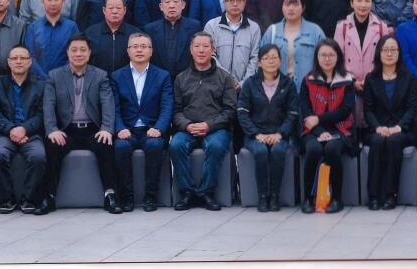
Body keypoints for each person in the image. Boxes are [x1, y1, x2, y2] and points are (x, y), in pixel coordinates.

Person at [42, 35, 122, 214]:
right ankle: (49, 196)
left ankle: (110, 195)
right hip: (66, 130)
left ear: (89, 52)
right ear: (67, 53)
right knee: (52, 146)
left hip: (93, 129)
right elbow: (48, 105)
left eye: (83, 50)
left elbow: (108, 104)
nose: (78, 54)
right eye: (74, 50)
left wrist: (107, 129)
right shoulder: (54, 76)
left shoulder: (100, 75)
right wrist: (52, 130)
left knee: (106, 145)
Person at [169, 33, 236, 211]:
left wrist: (209, 125)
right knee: (175, 145)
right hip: (187, 128)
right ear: (190, 50)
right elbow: (176, 111)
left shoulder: (225, 78)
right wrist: (187, 125)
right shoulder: (181, 78)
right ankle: (187, 193)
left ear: (213, 50)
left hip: (216, 128)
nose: (201, 50)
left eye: (205, 46)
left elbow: (230, 111)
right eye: (197, 46)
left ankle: (206, 192)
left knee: (216, 146)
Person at [111, 32, 174, 212]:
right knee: (121, 147)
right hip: (127, 130)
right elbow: (113, 107)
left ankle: (150, 197)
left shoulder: (162, 76)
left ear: (151, 51)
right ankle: (127, 197)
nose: (139, 50)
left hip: (151, 129)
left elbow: (167, 106)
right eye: (135, 47)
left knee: (155, 146)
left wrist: (159, 128)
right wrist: (119, 128)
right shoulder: (116, 76)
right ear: (128, 51)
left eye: (144, 46)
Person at [236, 44, 299, 212]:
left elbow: (293, 113)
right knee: (261, 151)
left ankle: (275, 196)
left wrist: (281, 133)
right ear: (259, 63)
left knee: (278, 151)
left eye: (274, 57)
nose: (270, 61)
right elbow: (242, 112)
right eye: (266, 58)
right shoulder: (250, 84)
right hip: (255, 134)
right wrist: (256, 134)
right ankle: (263, 196)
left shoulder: (288, 84)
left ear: (280, 60)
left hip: (280, 133)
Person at [298, 40, 355, 213]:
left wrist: (319, 119)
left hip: (340, 128)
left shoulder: (347, 80)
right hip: (313, 129)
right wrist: (319, 131)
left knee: (332, 149)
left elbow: (345, 110)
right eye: (323, 55)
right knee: (313, 149)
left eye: (331, 55)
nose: (327, 59)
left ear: (338, 57)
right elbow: (305, 110)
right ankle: (308, 198)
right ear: (317, 57)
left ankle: (337, 198)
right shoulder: (308, 80)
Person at [0, 45, 48, 214]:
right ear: (8, 62)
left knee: (38, 156)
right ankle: (8, 199)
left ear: (30, 62)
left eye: (23, 58)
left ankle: (28, 199)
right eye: (14, 58)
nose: (19, 61)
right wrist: (12, 130)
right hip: (5, 133)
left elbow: (42, 115)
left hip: (31, 134)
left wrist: (24, 129)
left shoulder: (40, 85)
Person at [362, 35, 416, 210]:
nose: (390, 53)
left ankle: (390, 194)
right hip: (377, 128)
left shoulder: (408, 78)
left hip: (402, 129)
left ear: (399, 53)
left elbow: (411, 109)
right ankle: (373, 195)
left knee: (393, 141)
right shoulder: (371, 78)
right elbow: (368, 110)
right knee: (377, 142)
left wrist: (399, 127)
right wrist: (378, 127)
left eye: (394, 49)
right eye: (386, 49)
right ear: (379, 53)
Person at [259, 0, 324, 88]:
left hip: (308, 89)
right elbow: (261, 60)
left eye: (295, 4)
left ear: (303, 7)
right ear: (282, 7)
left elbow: (325, 60)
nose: (291, 8)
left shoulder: (315, 31)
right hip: (277, 89)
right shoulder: (272, 31)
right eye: (287, 4)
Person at [333, 0, 390, 89]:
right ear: (352, 3)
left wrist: (372, 79)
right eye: (359, 0)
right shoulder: (342, 27)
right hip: (348, 83)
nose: (363, 5)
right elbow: (337, 58)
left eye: (367, 1)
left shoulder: (381, 27)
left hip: (375, 83)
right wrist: (352, 82)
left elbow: (386, 57)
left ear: (372, 4)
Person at [204, 0, 261, 84]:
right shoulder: (212, 26)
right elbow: (210, 56)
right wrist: (227, 79)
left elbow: (254, 58)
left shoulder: (254, 28)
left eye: (239, 0)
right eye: (231, 0)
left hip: (245, 86)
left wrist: (243, 83)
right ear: (224, 3)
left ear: (245, 3)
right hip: (217, 83)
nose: (235, 4)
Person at [23, 0, 81, 78]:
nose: (53, 3)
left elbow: (76, 54)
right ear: (42, 2)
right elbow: (29, 56)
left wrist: (59, 76)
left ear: (63, 2)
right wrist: (43, 77)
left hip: (65, 79)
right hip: (38, 80)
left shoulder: (71, 27)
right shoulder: (33, 28)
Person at [144, 0, 201, 77]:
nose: (171, 5)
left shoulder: (195, 27)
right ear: (161, 6)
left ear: (183, 5)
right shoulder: (150, 29)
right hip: (158, 78)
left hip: (188, 78)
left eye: (175, 1)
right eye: (167, 2)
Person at [85, 0, 141, 74]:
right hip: (98, 79)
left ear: (124, 10)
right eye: (111, 8)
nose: (115, 11)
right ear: (104, 10)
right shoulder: (90, 33)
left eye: (118, 8)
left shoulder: (135, 33)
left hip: (126, 78)